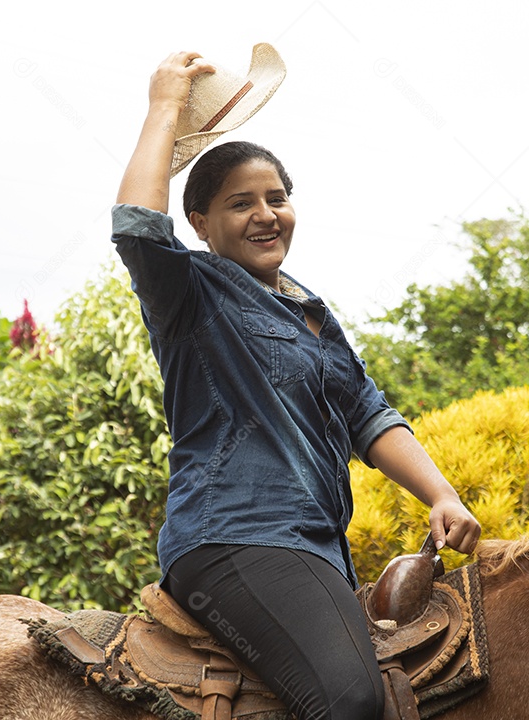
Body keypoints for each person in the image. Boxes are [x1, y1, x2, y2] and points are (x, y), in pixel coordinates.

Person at [111, 49, 481, 720]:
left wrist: (441, 493)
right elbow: (138, 231)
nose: (265, 214)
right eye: (240, 203)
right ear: (200, 224)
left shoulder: (311, 311)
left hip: (314, 548)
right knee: (352, 702)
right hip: (236, 538)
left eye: (276, 198)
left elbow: (368, 413)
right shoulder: (191, 291)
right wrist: (164, 106)